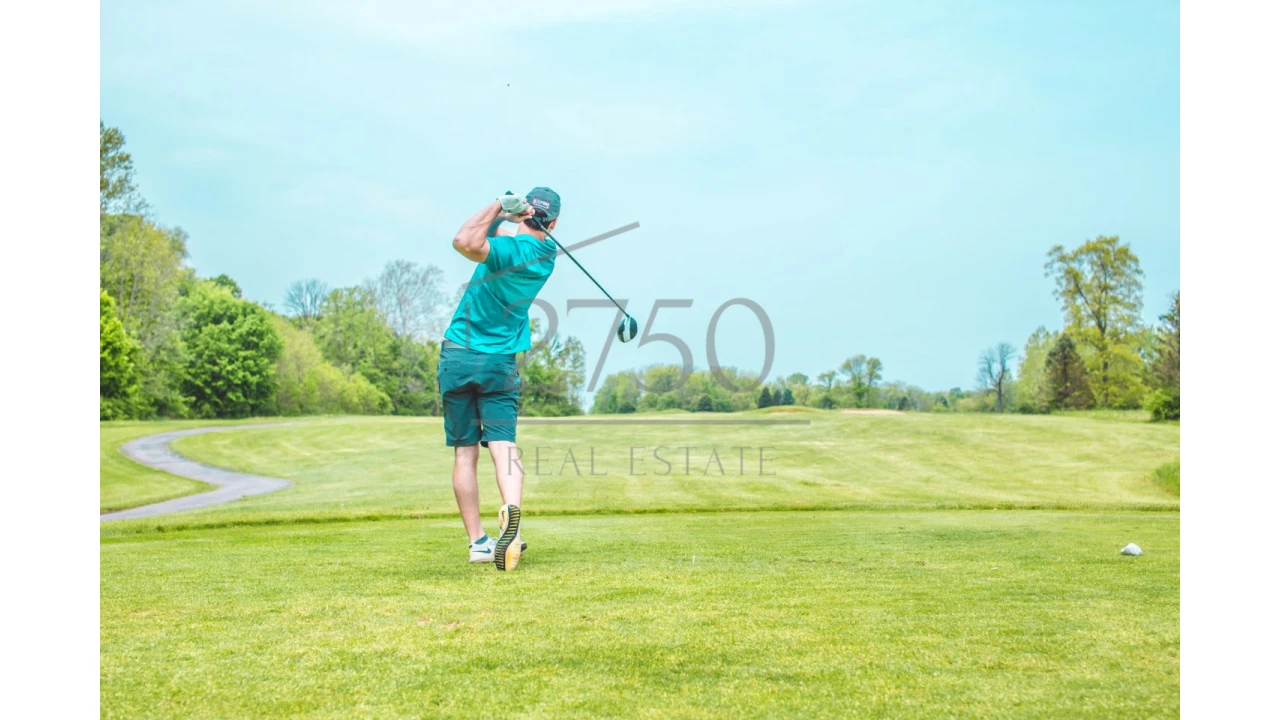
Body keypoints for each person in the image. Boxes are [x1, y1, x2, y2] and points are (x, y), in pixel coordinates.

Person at [439, 187, 561, 571]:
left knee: (465, 452)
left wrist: (498, 206)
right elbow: (493, 240)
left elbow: (464, 240)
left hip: (458, 355)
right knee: (504, 445)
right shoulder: (547, 257)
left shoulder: (506, 250)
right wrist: (508, 218)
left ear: (526, 213)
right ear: (554, 223)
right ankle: (513, 523)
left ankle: (478, 543)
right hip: (499, 364)